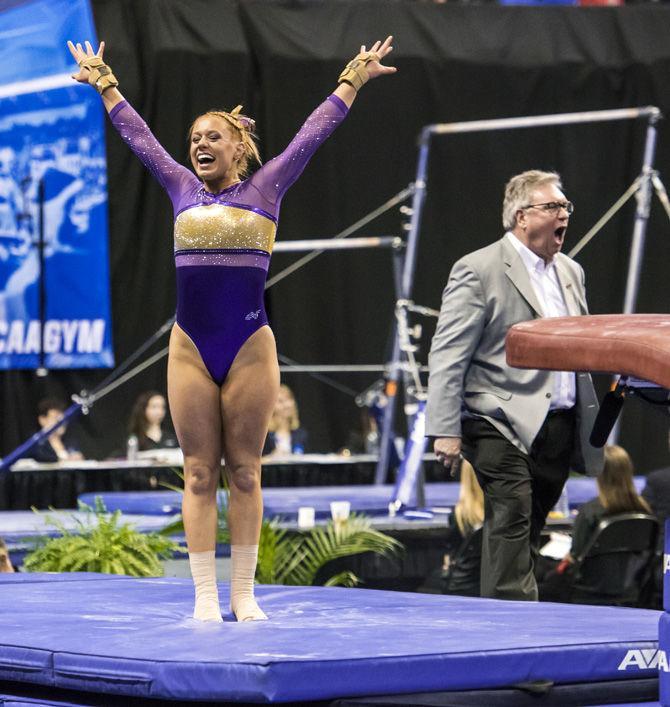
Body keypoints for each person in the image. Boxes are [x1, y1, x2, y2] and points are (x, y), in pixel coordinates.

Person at [67, 37, 396, 622]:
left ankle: (243, 594)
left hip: (249, 346)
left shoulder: (266, 188)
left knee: (244, 470)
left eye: (211, 135)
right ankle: (203, 596)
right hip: (190, 346)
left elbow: (312, 136)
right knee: (197, 471)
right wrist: (104, 84)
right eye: (194, 137)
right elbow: (139, 138)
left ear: (239, 146)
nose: (198, 143)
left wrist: (353, 80)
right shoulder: (178, 188)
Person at [426, 170, 603, 602]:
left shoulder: (571, 272)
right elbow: (448, 352)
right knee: (512, 516)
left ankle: (491, 628)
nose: (564, 214)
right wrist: (445, 429)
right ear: (522, 217)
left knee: (524, 530)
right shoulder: (479, 268)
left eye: (566, 207)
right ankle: (520, 650)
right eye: (553, 206)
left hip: (558, 423)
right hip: (497, 420)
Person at [539, 445, 652, 602]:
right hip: (628, 587)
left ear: (600, 473)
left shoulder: (591, 511)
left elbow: (575, 556)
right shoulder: (644, 513)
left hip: (585, 587)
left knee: (538, 566)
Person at [30, 397, 84, 463]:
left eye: (63, 418)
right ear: (42, 420)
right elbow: (42, 458)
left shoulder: (70, 440)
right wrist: (65, 459)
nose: (61, 422)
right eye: (55, 418)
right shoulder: (34, 443)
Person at [263, 384, 307, 456]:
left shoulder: (301, 434)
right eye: (280, 401)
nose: (287, 405)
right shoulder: (264, 436)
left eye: (289, 399)